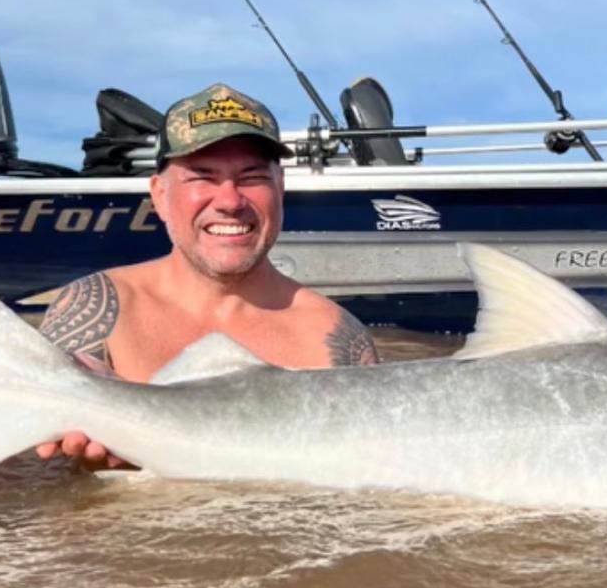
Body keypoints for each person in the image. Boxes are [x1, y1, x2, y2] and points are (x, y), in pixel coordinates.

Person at [37, 83, 379, 467]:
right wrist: (79, 408)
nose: (230, 201)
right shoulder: (97, 308)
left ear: (280, 188)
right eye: (202, 176)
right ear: (159, 194)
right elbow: (32, 468)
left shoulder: (333, 337)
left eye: (252, 177)